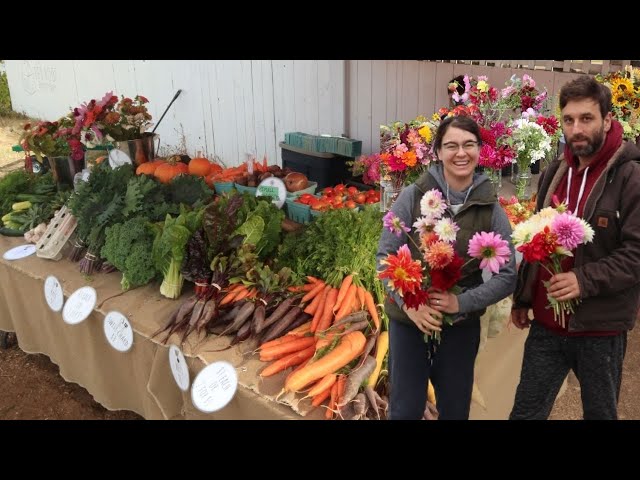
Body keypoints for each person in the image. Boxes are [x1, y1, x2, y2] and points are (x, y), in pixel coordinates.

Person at [510, 75, 640, 420]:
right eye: (569, 120)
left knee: (600, 413)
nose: (576, 128)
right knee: (525, 413)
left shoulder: (630, 178)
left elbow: (635, 254)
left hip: (599, 329)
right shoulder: (556, 171)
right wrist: (524, 297)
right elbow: (537, 238)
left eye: (586, 118)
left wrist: (584, 280)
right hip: (547, 326)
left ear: (608, 120)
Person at [376, 115, 517, 420]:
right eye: (451, 145)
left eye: (469, 144)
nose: (461, 153)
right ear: (438, 151)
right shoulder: (413, 196)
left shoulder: (490, 207)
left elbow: (508, 275)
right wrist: (409, 305)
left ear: (479, 150)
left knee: (454, 410)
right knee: (404, 411)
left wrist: (461, 302)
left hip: (459, 328)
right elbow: (384, 256)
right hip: (409, 324)